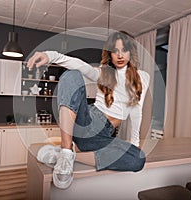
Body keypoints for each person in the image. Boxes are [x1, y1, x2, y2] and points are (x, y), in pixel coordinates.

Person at [27, 31, 150, 189]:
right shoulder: (104, 73)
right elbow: (81, 66)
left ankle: (67, 155)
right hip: (86, 121)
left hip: (103, 137)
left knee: (138, 159)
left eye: (124, 50)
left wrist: (135, 144)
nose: (120, 55)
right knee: (72, 75)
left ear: (131, 52)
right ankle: (65, 150)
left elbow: (136, 111)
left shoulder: (143, 77)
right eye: (115, 50)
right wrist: (51, 55)